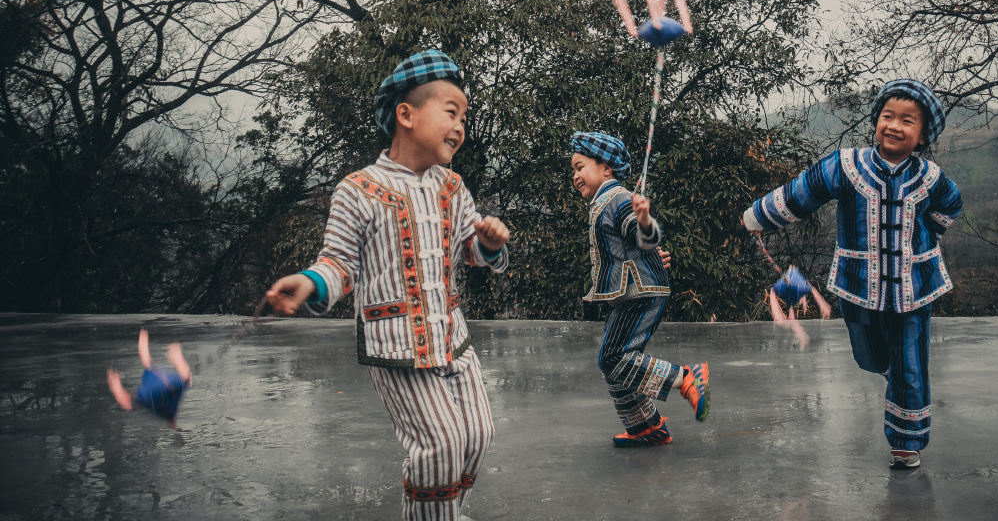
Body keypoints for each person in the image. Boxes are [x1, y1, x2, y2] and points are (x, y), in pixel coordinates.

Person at [266, 50, 510, 521]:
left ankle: (443, 514)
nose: (461, 126)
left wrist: (489, 243)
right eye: (451, 112)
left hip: (454, 342)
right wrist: (310, 283)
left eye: (465, 117)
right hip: (398, 349)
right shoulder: (357, 190)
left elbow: (471, 253)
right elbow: (338, 264)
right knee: (439, 445)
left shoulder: (454, 188)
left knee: (477, 436)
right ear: (406, 114)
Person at [742, 79, 963, 469]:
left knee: (911, 358)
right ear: (876, 120)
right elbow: (802, 191)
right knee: (870, 356)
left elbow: (950, 205)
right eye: (887, 116)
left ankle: (905, 442)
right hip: (859, 286)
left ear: (924, 134)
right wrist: (759, 215)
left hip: (914, 287)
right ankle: (895, 375)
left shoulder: (931, 177)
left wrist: (928, 236)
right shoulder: (846, 166)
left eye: (907, 121)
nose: (894, 125)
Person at [569, 131, 710, 447]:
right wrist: (647, 252)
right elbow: (632, 245)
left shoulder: (618, 199)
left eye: (580, 167)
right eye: (573, 170)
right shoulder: (602, 202)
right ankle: (645, 426)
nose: (575, 176)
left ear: (606, 168)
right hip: (632, 291)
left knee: (616, 357)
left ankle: (687, 378)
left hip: (641, 292)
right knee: (611, 358)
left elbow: (644, 233)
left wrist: (645, 220)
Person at [107, 328, 192, 427]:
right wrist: (116, 386)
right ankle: (175, 357)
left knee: (186, 379)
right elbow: (126, 403)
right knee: (148, 363)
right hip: (160, 391)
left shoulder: (156, 401)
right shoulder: (153, 401)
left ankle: (175, 357)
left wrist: (116, 386)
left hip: (161, 390)